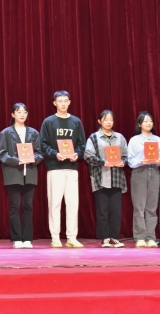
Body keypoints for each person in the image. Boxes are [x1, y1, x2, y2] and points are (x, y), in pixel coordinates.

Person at [40, 90, 86, 248]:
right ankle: (55, 237)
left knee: (73, 204)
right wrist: (55, 154)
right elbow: (43, 144)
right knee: (55, 204)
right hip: (55, 168)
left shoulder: (76, 122)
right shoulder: (48, 122)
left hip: (72, 168)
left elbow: (82, 144)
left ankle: (72, 237)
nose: (63, 103)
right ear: (55, 103)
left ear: (70, 102)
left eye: (66, 100)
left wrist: (77, 154)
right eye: (60, 101)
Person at [0, 103, 44, 249]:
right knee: (14, 206)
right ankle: (17, 238)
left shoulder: (34, 133)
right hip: (13, 173)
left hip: (29, 172)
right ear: (13, 114)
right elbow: (2, 154)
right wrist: (17, 160)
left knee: (28, 206)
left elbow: (39, 153)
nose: (22, 114)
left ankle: (27, 238)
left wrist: (32, 159)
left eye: (25, 112)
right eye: (19, 112)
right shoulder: (6, 133)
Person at [84, 110, 127, 248]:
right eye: (106, 119)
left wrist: (123, 162)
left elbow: (126, 155)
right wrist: (102, 162)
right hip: (100, 178)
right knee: (102, 211)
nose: (109, 122)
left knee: (116, 211)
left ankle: (115, 237)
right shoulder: (94, 137)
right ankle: (105, 238)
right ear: (99, 121)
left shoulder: (119, 137)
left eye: (111, 119)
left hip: (116, 178)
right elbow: (88, 156)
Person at [127, 111, 160, 248]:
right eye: (145, 121)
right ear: (140, 124)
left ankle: (150, 237)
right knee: (139, 207)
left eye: (150, 121)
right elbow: (129, 160)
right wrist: (141, 161)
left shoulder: (157, 140)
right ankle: (140, 237)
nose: (148, 123)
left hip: (154, 172)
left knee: (152, 207)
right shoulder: (134, 140)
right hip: (139, 172)